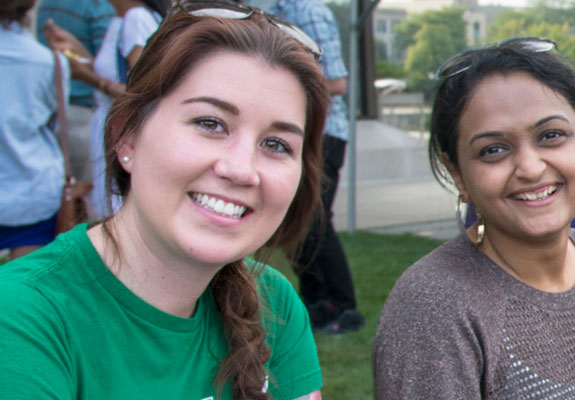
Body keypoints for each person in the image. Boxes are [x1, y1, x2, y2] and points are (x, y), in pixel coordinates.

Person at [0, 3, 329, 397]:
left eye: (276, 144)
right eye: (210, 123)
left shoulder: (272, 304)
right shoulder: (22, 316)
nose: (241, 170)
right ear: (127, 136)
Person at [372, 37, 575, 398]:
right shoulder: (433, 305)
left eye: (551, 135)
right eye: (493, 150)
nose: (530, 167)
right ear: (458, 173)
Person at [241, 0, 360, 335]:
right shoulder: (257, 9)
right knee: (294, 223)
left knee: (316, 219)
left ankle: (343, 307)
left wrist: (276, 87)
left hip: (323, 135)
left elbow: (337, 82)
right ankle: (316, 302)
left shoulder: (309, 11)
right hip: (288, 134)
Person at [40, 0, 164, 220]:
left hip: (122, 131)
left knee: (115, 214)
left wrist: (86, 77)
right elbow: (111, 75)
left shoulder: (136, 18)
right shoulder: (120, 20)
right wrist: (74, 51)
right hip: (109, 127)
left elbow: (144, 93)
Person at [3, 0, 72, 258]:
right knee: (25, 293)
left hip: (29, 194)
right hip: (31, 192)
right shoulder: (48, 61)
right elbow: (53, 120)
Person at [34, 0, 112, 176]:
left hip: (52, 112)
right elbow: (111, 68)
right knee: (89, 195)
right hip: (88, 113)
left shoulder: (46, 4)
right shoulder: (98, 7)